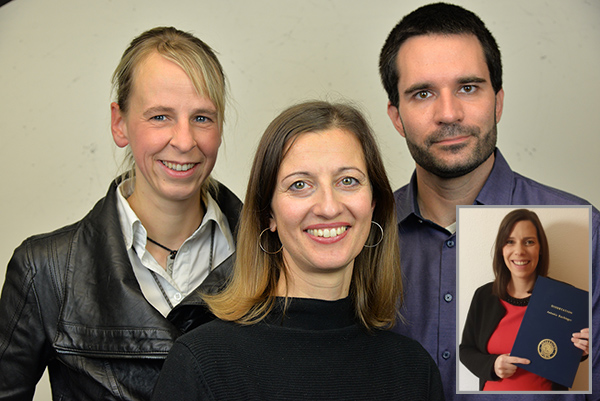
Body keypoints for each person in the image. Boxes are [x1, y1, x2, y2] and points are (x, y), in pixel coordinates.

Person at [0, 27, 242, 400]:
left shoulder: (274, 255)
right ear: (120, 123)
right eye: (160, 117)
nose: (183, 140)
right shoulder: (44, 270)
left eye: (202, 118)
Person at [151, 101, 445, 400]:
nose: (329, 207)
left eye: (348, 181)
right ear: (269, 214)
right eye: (300, 185)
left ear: (373, 204)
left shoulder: (413, 371)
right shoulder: (202, 362)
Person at [378, 2, 599, 399]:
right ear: (397, 117)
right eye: (423, 93)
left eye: (468, 87)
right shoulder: (365, 235)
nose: (449, 113)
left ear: (497, 101)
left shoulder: (588, 230)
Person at [460, 209, 589, 391]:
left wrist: (583, 349)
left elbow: (570, 352)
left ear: (540, 248)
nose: (519, 251)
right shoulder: (483, 296)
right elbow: (465, 350)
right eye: (510, 242)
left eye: (529, 242)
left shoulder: (566, 298)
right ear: (501, 249)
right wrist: (493, 364)